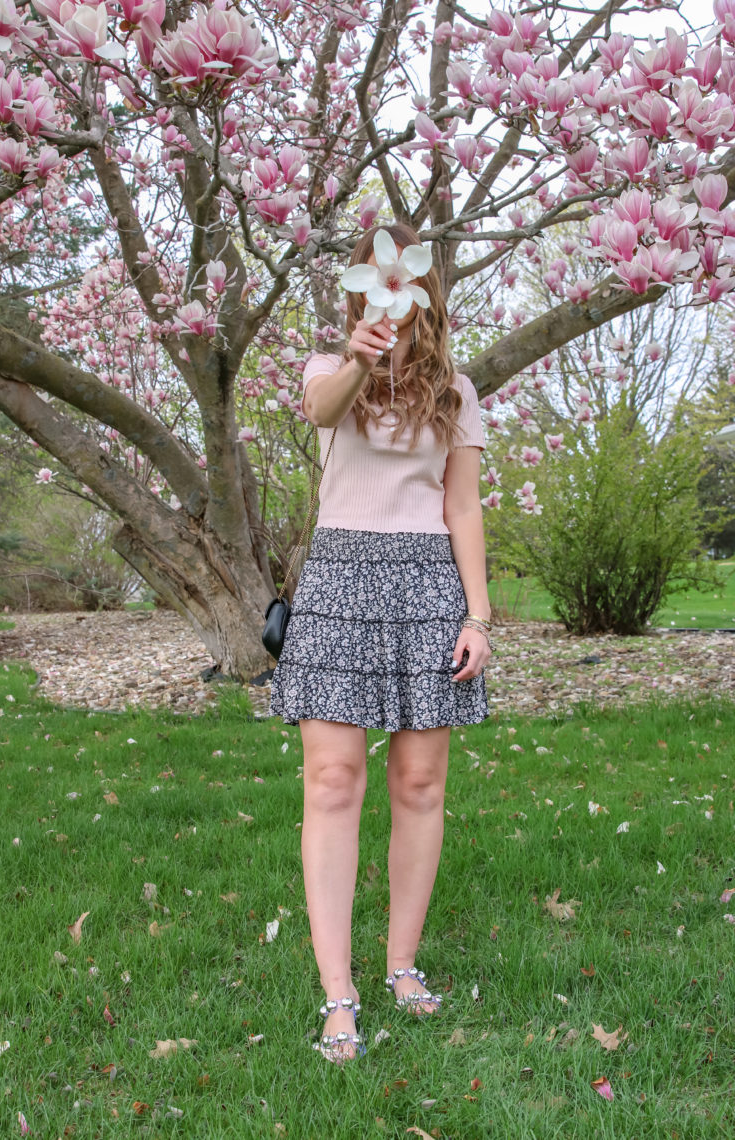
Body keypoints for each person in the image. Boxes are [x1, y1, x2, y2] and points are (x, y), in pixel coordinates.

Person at [269, 222, 493, 1064]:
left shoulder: (457, 392)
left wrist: (478, 616)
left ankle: (402, 965)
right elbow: (321, 410)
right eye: (371, 282)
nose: (387, 296)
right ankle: (338, 991)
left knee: (420, 780)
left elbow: (462, 507)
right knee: (331, 781)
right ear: (359, 291)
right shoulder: (332, 372)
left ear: (425, 291)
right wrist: (361, 359)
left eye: (404, 280)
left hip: (429, 586)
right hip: (338, 581)